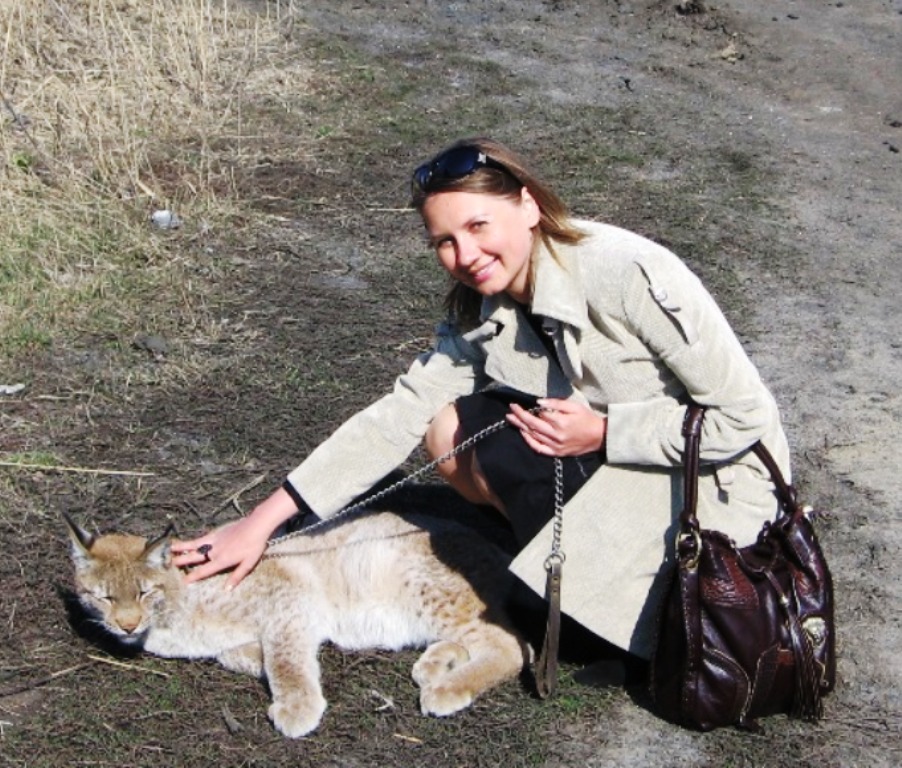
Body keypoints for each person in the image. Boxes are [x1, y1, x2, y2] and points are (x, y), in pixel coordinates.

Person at [171, 137, 791, 660]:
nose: (465, 256)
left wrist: (606, 432)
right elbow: (399, 414)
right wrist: (261, 523)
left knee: (554, 622)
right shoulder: (483, 304)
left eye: (477, 226)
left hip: (710, 484)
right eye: (444, 241)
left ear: (527, 206)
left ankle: (610, 603)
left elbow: (745, 417)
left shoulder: (626, 272)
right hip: (607, 458)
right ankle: (562, 566)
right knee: (448, 427)